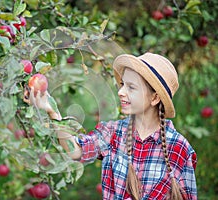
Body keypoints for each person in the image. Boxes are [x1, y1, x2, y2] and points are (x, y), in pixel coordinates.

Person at [24, 52, 197, 199]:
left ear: (154, 98)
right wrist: (52, 111)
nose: (121, 92)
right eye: (122, 85)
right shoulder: (113, 133)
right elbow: (75, 151)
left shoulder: (179, 149)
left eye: (131, 87)